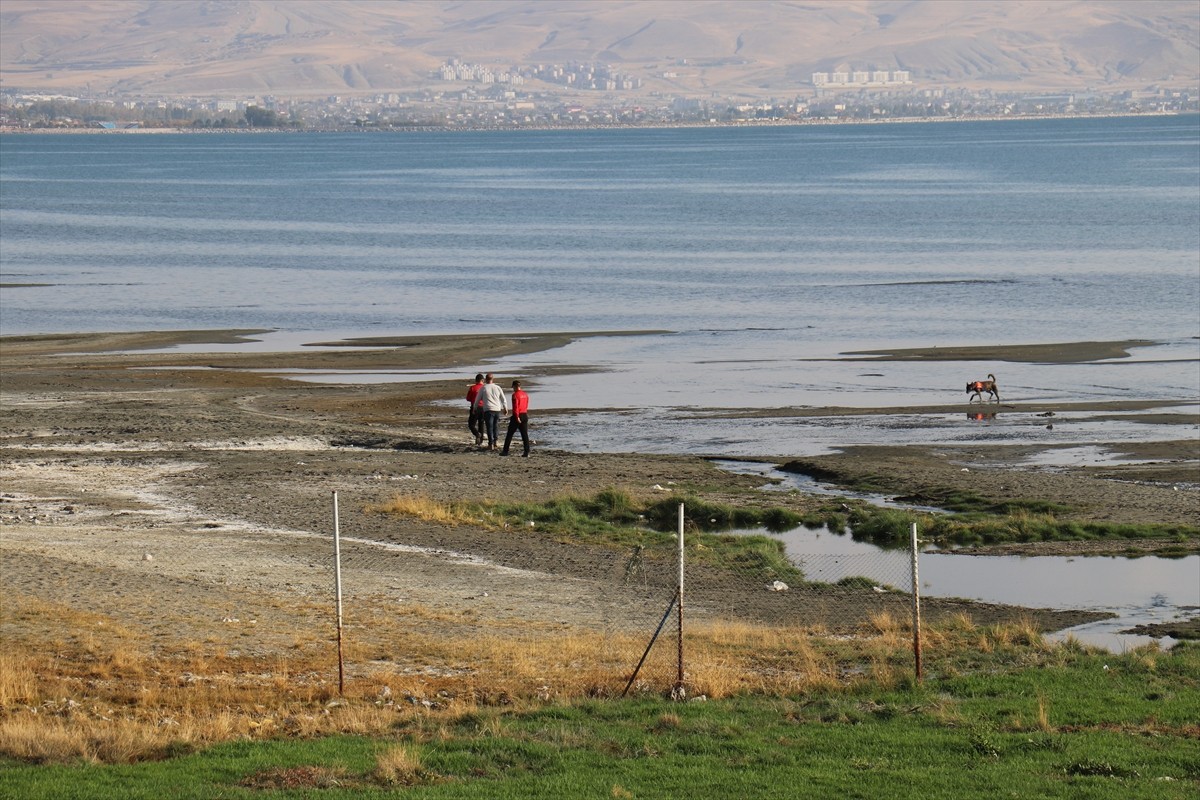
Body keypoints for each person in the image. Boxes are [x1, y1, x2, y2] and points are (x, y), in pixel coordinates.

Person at [476, 373, 507, 451]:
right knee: (495, 425)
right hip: (497, 409)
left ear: (486, 379)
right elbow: (503, 399)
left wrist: (474, 407)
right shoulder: (497, 387)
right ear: (493, 379)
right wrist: (505, 407)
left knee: (489, 427)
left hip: (488, 409)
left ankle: (491, 444)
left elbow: (477, 399)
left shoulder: (483, 388)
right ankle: (495, 441)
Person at [501, 379, 530, 457]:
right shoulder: (525, 394)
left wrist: (517, 417)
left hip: (518, 415)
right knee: (524, 434)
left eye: (513, 387)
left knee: (510, 434)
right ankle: (526, 451)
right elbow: (526, 404)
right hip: (524, 414)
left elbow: (515, 407)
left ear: (515, 386)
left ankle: (505, 451)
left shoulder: (515, 395)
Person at [465, 373, 484, 446]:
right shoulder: (484, 387)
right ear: (482, 380)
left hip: (475, 407)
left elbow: (468, 398)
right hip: (483, 408)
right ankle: (480, 440)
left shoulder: (473, 388)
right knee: (481, 424)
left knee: (471, 424)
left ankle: (477, 434)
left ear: (476, 380)